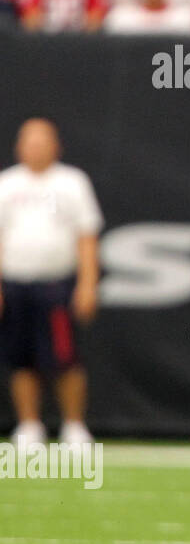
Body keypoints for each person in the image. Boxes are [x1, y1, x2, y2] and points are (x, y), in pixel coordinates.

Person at [0, 119, 104, 451]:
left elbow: (87, 236)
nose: (36, 147)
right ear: (19, 146)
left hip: (56, 286)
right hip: (15, 284)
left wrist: (88, 284)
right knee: (21, 359)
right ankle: (29, 426)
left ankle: (74, 427)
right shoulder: (6, 184)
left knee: (64, 358)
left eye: (42, 141)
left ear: (56, 145)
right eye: (29, 141)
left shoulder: (72, 183)